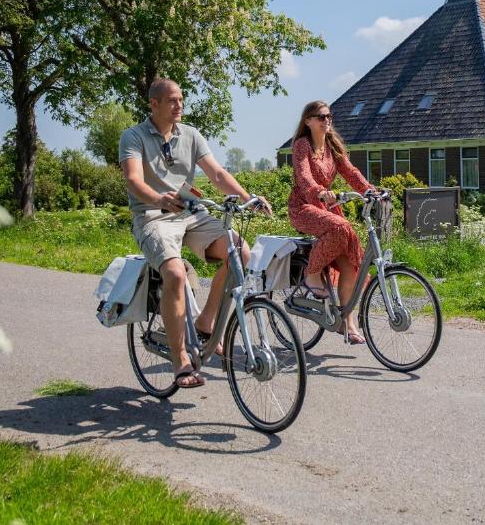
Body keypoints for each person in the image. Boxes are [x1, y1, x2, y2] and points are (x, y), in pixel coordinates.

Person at [119, 78, 270, 388]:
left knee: (239, 252)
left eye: (182, 100)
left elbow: (216, 173)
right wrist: (159, 198)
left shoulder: (191, 135)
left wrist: (247, 198)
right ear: (154, 104)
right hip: (152, 216)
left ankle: (206, 322)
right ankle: (181, 362)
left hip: (191, 214)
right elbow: (134, 180)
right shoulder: (132, 137)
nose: (180, 105)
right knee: (174, 274)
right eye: (172, 100)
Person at [288, 100, 375, 344]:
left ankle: (347, 322)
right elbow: (304, 178)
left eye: (329, 116)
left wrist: (370, 190)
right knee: (340, 227)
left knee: (350, 264)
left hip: (327, 207)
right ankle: (311, 272)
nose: (327, 120)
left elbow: (351, 172)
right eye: (321, 116)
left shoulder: (332, 146)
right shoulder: (301, 145)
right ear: (308, 121)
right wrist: (319, 191)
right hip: (304, 207)